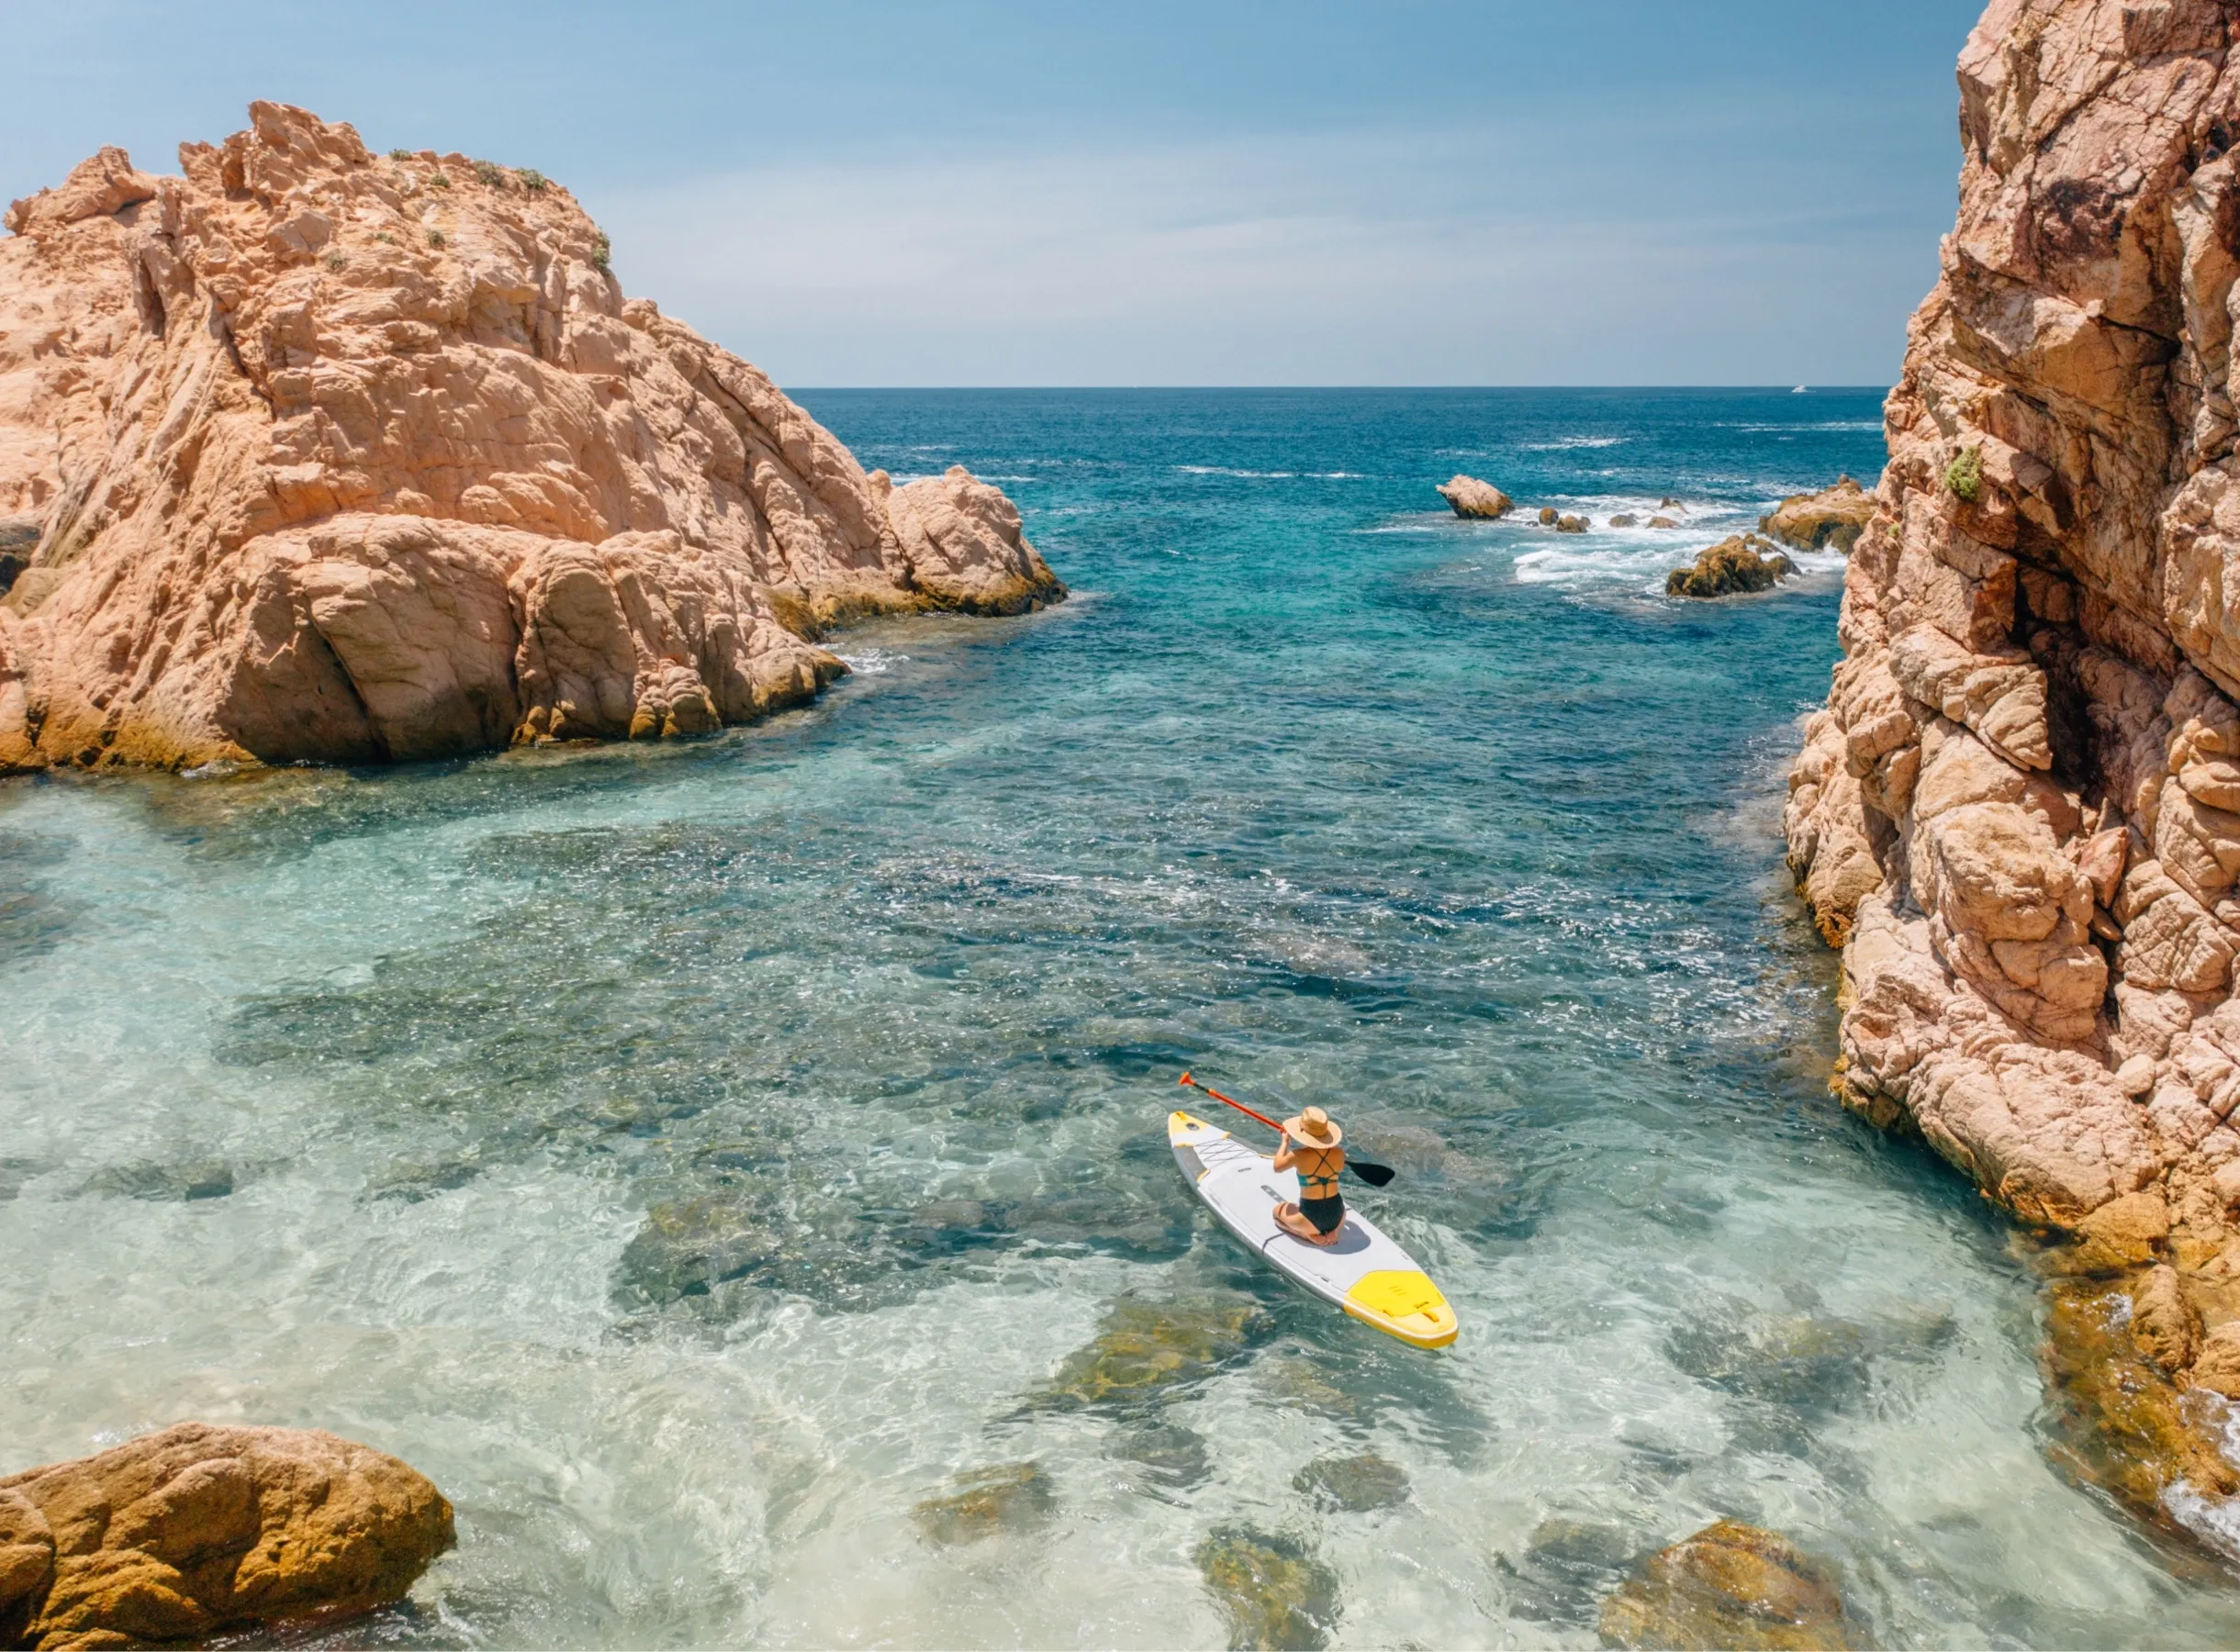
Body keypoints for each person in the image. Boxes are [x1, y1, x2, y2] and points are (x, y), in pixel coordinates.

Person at [1272, 1106, 1347, 1245]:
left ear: (1302, 1132)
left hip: (1310, 1218)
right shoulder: (1340, 1153)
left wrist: (1285, 1142)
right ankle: (1333, 1231)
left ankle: (1307, 1235)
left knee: (1278, 1212)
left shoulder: (1298, 1155)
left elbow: (1277, 1167)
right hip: (1338, 1214)